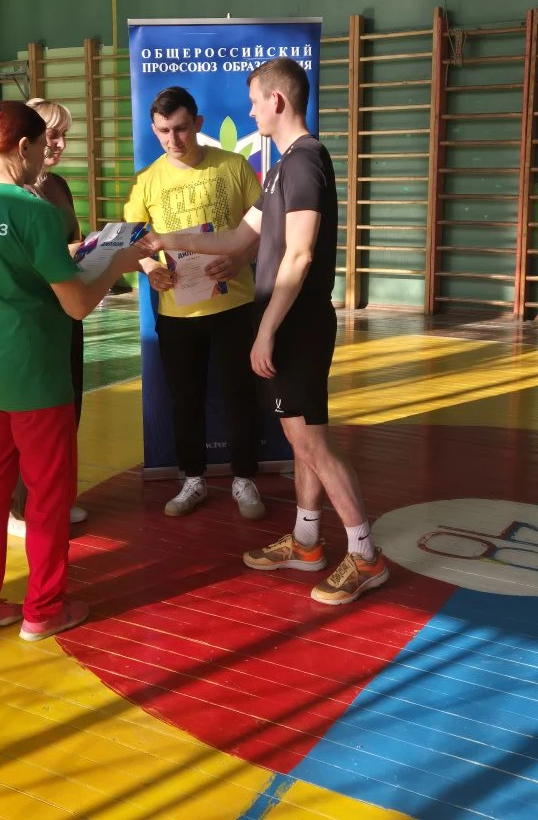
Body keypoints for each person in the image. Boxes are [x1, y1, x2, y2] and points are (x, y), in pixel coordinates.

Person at [139, 60, 389, 605]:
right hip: (285, 323)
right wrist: (161, 240)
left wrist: (265, 330)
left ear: (276, 101)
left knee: (313, 444)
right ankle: (306, 542)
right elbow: (235, 239)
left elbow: (299, 256)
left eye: (254, 101)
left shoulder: (304, 163)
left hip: (296, 325)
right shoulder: (280, 169)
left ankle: (365, 555)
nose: (250, 112)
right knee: (302, 441)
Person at [0, 100, 142, 643]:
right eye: (42, 147)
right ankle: (44, 609)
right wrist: (120, 263)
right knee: (49, 497)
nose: (45, 158)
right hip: (35, 378)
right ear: (24, 146)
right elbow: (76, 305)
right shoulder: (34, 212)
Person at [124, 86, 266, 519]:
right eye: (164, 131)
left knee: (240, 395)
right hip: (177, 312)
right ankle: (193, 478)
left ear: (198, 124)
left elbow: (266, 230)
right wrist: (150, 271)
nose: (173, 139)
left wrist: (239, 257)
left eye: (181, 128)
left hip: (234, 306)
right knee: (185, 399)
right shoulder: (147, 180)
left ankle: (244, 478)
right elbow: (134, 241)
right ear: (154, 130)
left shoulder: (233, 166)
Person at [7, 98, 87, 538]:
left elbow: (72, 244)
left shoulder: (57, 186)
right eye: (51, 135)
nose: (58, 144)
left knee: (68, 409)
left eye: (63, 136)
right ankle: (22, 509)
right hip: (36, 320)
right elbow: (31, 261)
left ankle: (52, 498)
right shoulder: (14, 195)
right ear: (28, 140)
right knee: (33, 420)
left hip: (68, 312)